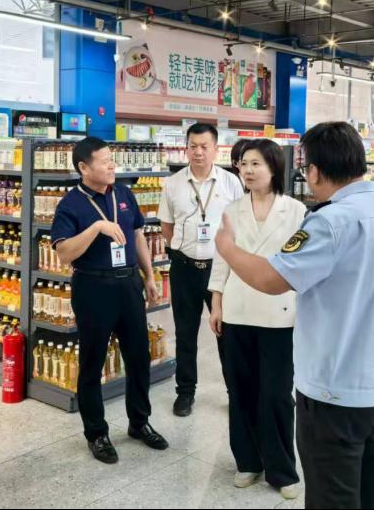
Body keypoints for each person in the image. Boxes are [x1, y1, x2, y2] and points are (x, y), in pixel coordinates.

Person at [214, 122, 374, 509]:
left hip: (335, 392)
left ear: (315, 171)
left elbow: (271, 278)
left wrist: (226, 247)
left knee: (333, 495)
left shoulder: (328, 222)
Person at [52, 137, 169, 464]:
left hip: (129, 284)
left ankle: (139, 422)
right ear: (83, 167)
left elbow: (137, 236)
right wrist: (96, 228)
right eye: (104, 161)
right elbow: (64, 253)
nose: (112, 165)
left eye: (111, 159)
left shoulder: (124, 193)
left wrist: (149, 276)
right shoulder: (70, 204)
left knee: (139, 356)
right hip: (93, 286)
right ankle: (96, 433)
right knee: (92, 361)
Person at [208, 139, 307, 500]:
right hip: (238, 310)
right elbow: (222, 257)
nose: (247, 171)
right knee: (241, 389)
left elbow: (301, 263)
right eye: (243, 164)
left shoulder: (295, 210)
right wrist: (216, 302)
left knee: (277, 394)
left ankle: (282, 469)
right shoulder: (232, 210)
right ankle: (248, 461)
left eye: (255, 164)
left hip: (280, 313)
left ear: (274, 167)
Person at [157, 123, 244, 417]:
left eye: (204, 146)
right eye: (193, 146)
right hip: (184, 268)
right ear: (186, 148)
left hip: (220, 269)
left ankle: (236, 392)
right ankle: (185, 392)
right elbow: (166, 226)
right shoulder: (173, 183)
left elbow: (239, 224)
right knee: (185, 333)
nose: (198, 152)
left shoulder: (231, 182)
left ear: (216, 149)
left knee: (227, 333)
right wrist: (183, 249)